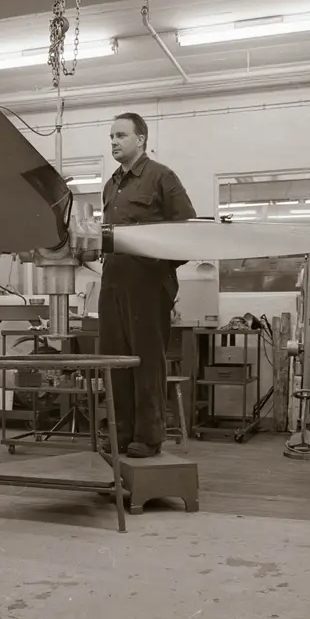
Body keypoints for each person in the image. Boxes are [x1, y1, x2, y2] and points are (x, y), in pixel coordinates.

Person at [98, 112, 196, 458]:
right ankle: (122, 432)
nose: (114, 142)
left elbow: (188, 232)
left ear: (140, 139)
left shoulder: (161, 177)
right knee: (115, 359)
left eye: (121, 135)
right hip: (112, 282)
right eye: (111, 137)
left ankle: (148, 436)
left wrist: (157, 271)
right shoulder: (111, 185)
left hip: (148, 285)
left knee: (146, 361)